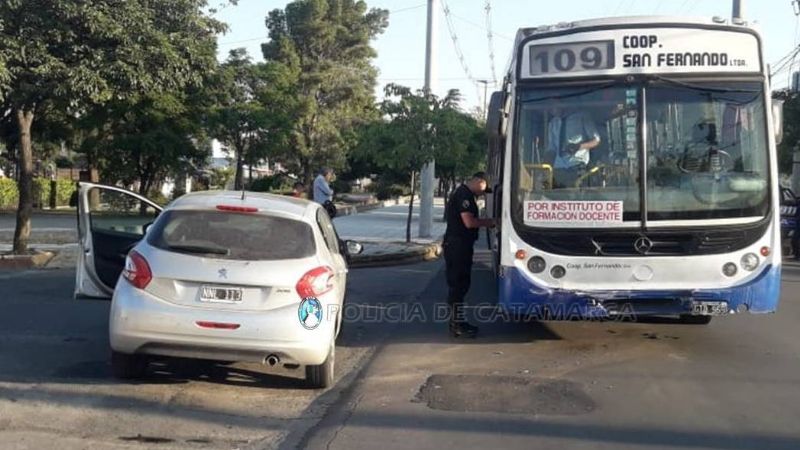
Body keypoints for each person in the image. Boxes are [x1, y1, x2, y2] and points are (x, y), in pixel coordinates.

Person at [444, 172, 496, 338]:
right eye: (484, 188)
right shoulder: (464, 195)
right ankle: (457, 324)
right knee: (458, 285)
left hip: (460, 245)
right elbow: (469, 222)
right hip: (457, 246)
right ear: (478, 181)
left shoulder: (466, 194)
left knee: (461, 284)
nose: (483, 192)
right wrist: (491, 222)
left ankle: (458, 323)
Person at [547, 101, 601, 188]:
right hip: (559, 167)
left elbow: (596, 140)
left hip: (577, 164)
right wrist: (544, 169)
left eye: (554, 105)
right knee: (557, 197)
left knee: (578, 197)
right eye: (550, 107)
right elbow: (551, 148)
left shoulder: (582, 117)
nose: (551, 110)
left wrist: (579, 146)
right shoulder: (553, 123)